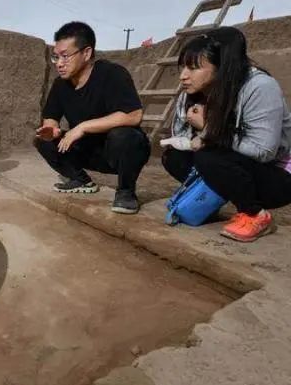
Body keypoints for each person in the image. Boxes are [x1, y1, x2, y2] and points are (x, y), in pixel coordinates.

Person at [162, 26, 291, 242]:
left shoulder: (259, 87)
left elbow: (264, 151)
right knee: (174, 156)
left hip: (276, 175)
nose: (183, 76)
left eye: (193, 68)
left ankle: (255, 215)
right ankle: (212, 199)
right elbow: (188, 138)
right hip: (235, 163)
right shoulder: (194, 92)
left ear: (221, 66)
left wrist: (209, 130)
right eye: (182, 67)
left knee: (209, 157)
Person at [35, 21, 150, 214]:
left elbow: (133, 115)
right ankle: (80, 180)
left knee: (124, 136)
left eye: (65, 56)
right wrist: (51, 130)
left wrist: (82, 127)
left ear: (86, 53)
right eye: (56, 57)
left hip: (118, 152)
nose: (59, 63)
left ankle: (126, 191)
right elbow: (51, 117)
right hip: (88, 151)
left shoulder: (112, 74)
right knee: (42, 140)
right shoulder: (60, 85)